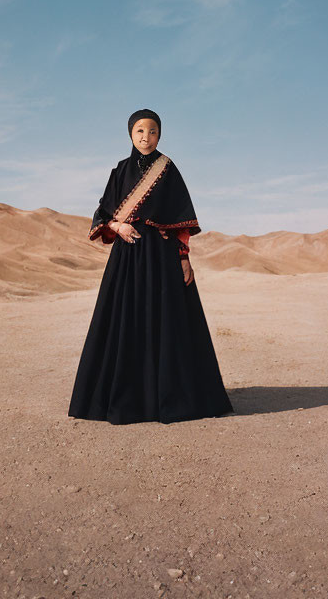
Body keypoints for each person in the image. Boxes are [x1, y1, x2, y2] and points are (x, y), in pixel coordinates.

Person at [68, 108, 234, 425]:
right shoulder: (119, 172)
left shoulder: (168, 170)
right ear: (131, 134)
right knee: (125, 321)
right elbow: (103, 215)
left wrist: (184, 258)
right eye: (141, 131)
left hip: (162, 257)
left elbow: (181, 221)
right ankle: (128, 397)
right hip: (128, 258)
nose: (147, 137)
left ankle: (172, 397)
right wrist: (118, 228)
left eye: (153, 131)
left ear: (160, 134)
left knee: (168, 323)